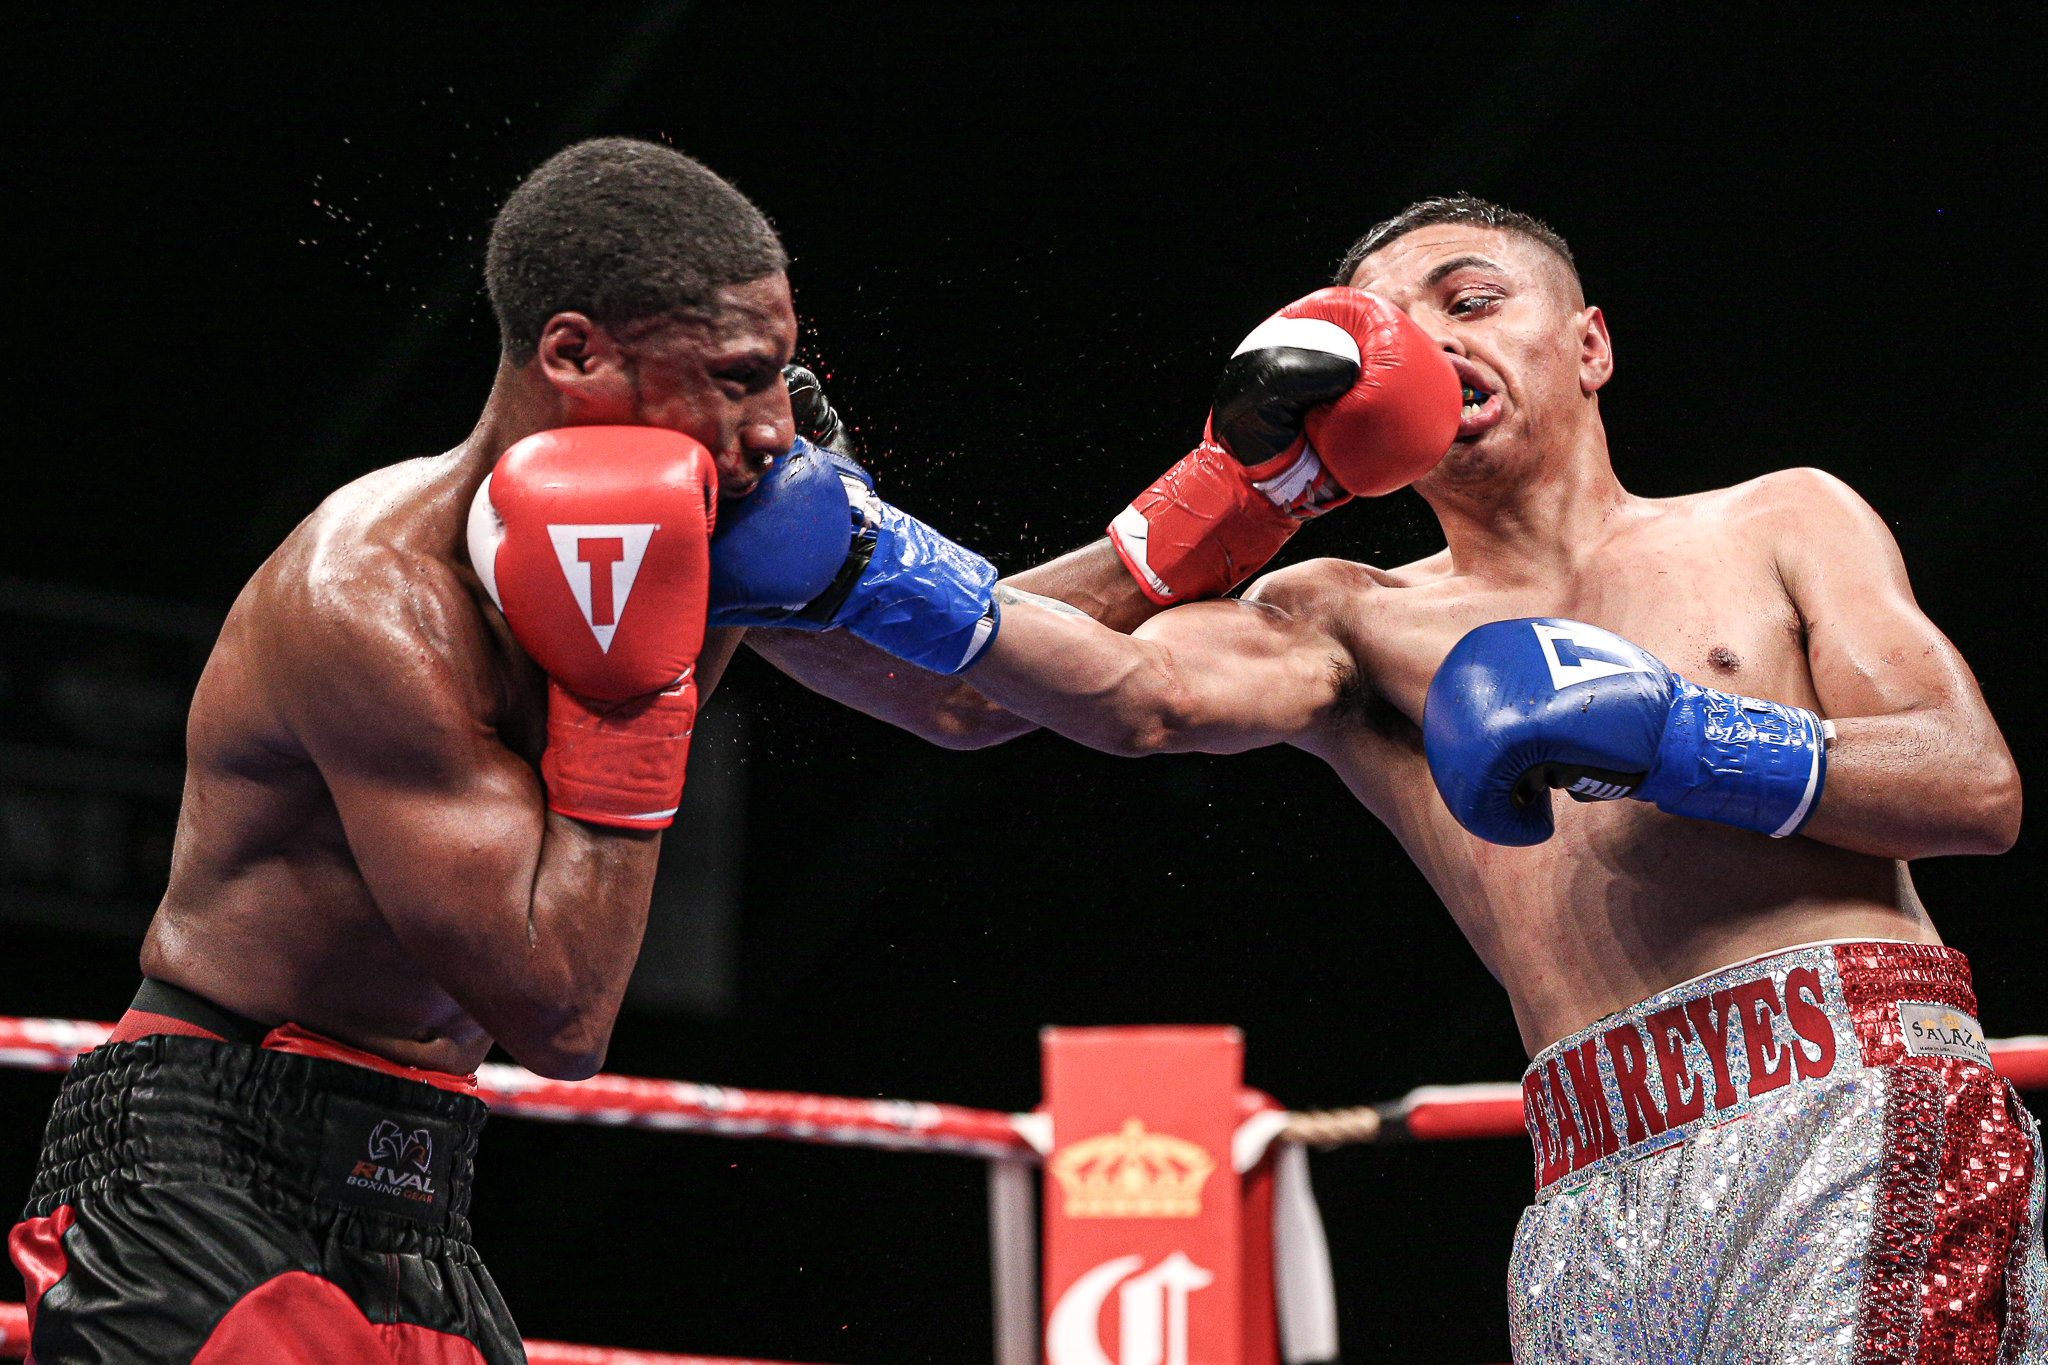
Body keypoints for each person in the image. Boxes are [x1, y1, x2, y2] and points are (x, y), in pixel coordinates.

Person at [756, 198, 2041, 1363]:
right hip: (1591, 1191)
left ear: (1588, 345)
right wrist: (845, 555)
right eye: (1384, 326)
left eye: (1467, 302)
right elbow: (989, 691)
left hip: (1850, 1104)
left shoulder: (1776, 520)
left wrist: (1678, 735)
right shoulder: (1346, 621)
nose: (1422, 342)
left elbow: (1972, 788)